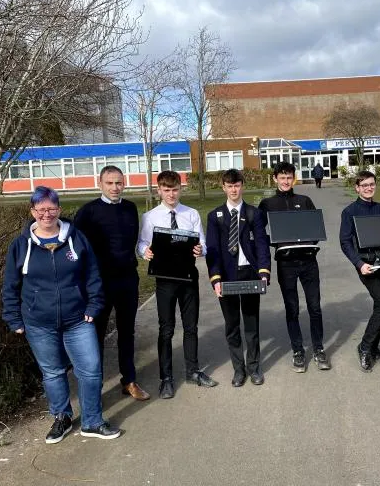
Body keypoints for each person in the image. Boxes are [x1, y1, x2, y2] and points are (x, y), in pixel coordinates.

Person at [2, 186, 121, 443]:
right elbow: (10, 284)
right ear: (32, 211)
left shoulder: (76, 238)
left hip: (78, 319)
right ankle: (62, 418)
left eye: (51, 208)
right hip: (39, 323)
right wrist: (13, 318)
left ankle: (92, 421)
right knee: (53, 372)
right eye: (41, 209)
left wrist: (93, 306)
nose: (47, 214)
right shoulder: (21, 245)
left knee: (90, 370)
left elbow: (92, 275)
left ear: (59, 209)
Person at [138, 170, 218, 399]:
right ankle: (166, 378)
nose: (171, 194)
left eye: (175, 189)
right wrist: (146, 251)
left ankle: (193, 371)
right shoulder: (150, 217)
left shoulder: (191, 214)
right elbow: (142, 242)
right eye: (166, 190)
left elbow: (201, 240)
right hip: (165, 279)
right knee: (167, 329)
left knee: (191, 327)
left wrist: (200, 249)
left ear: (181, 189)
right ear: (159, 191)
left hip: (188, 277)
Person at [73, 165, 150, 401]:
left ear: (124, 183)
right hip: (99, 284)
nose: (115, 187)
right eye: (110, 183)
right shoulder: (88, 212)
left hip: (127, 280)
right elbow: (79, 251)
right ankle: (94, 386)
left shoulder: (130, 208)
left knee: (127, 332)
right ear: (100, 184)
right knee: (95, 334)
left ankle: (129, 380)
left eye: (118, 183)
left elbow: (132, 242)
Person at [258, 162, 330, 373]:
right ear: (275, 179)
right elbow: (260, 234)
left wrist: (309, 240)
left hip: (308, 261)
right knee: (292, 309)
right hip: (286, 263)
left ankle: (318, 349)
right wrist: (276, 241)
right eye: (282, 177)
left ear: (294, 178)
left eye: (289, 177)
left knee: (315, 307)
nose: (286, 181)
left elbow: (316, 228)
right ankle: (298, 351)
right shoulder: (267, 204)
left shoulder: (304, 200)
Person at [206, 169, 271, 387]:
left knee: (251, 325)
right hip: (227, 277)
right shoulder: (215, 216)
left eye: (237, 185)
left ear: (242, 185)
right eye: (229, 185)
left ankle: (254, 367)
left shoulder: (254, 214)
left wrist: (264, 272)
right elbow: (213, 250)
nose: (233, 190)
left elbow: (262, 244)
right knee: (232, 325)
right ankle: (238, 370)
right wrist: (215, 279)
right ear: (223, 187)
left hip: (250, 274)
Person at [339, 170, 380, 372]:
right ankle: (364, 347)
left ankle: (373, 347)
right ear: (357, 188)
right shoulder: (349, 212)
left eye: (371, 184)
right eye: (364, 185)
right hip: (366, 266)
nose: (369, 188)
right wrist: (358, 263)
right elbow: (345, 242)